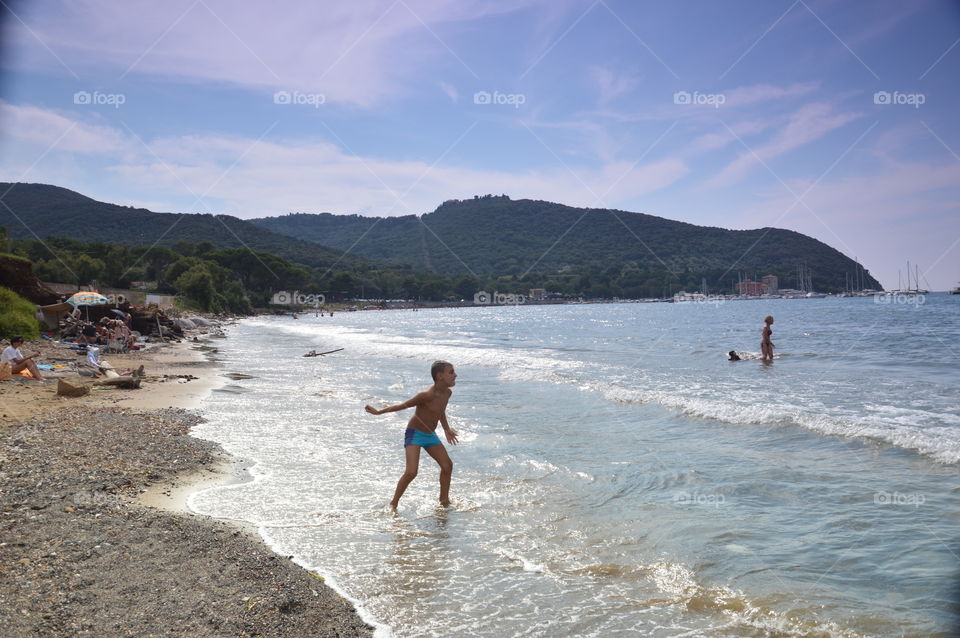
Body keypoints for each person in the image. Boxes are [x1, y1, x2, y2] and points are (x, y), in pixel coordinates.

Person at [365, 360, 459, 511]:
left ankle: (444, 500)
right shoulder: (426, 395)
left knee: (447, 465)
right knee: (411, 472)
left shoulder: (447, 393)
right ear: (440, 376)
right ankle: (393, 503)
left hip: (430, 435)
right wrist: (378, 412)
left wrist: (446, 429)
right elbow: (402, 405)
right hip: (415, 434)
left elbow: (440, 411)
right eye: (451, 372)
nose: (455, 375)